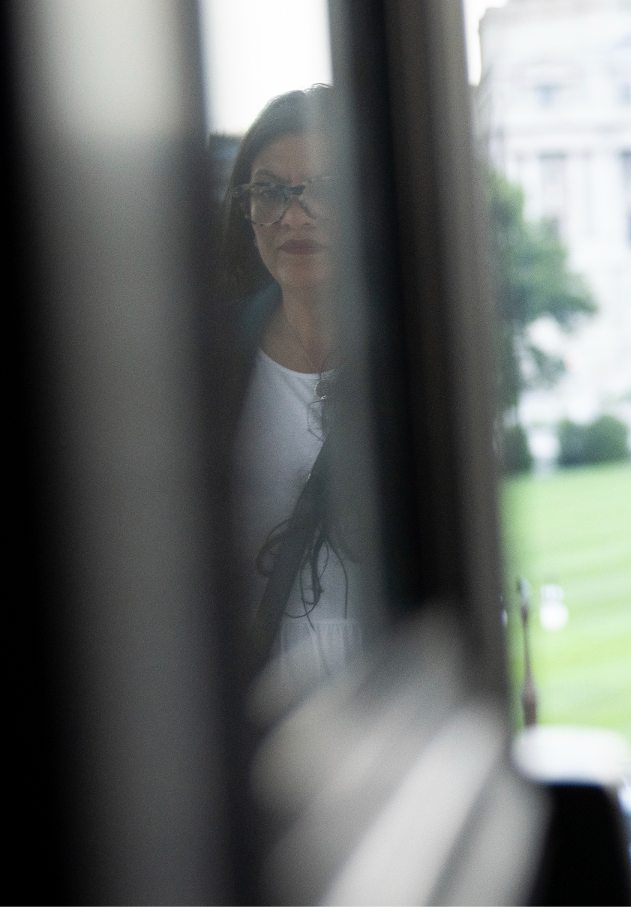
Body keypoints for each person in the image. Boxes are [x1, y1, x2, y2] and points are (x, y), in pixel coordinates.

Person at [217, 85, 365, 691]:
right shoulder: (215, 369)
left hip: (387, 713)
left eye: (325, 190)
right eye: (271, 192)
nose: (294, 216)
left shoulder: (414, 370)